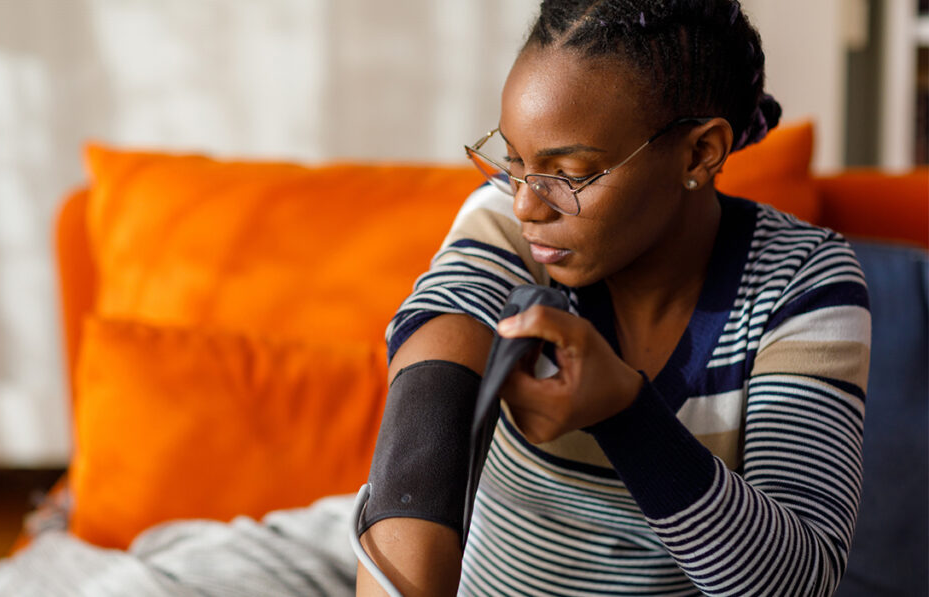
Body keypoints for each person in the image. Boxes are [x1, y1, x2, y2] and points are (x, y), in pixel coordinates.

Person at [356, 1, 870, 595]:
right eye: (514, 162)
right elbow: (432, 384)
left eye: (569, 173)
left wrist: (626, 414)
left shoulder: (802, 280)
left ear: (700, 153)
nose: (527, 204)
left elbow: (798, 582)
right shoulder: (510, 219)